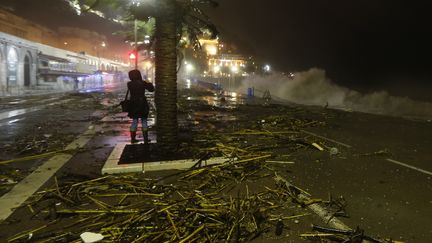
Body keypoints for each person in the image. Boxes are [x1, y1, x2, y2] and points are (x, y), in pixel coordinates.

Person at [127, 69, 154, 144]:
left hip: (133, 104)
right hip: (142, 104)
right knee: (144, 121)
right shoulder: (143, 83)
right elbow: (151, 89)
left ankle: (133, 139)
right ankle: (146, 139)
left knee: (134, 121)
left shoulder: (129, 83)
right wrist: (148, 82)